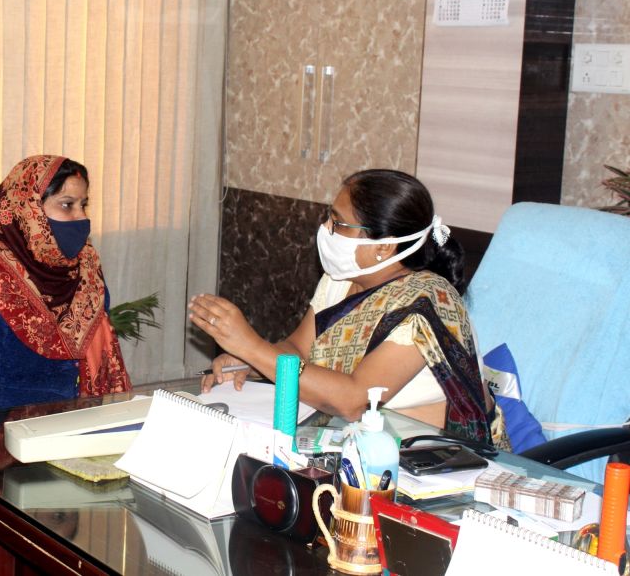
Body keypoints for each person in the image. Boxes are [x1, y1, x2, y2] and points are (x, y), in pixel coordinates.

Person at [190, 169, 506, 447]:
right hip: (353, 443)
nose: (325, 228)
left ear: (384, 246)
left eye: (338, 223)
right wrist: (251, 361)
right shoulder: (341, 279)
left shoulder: (426, 304)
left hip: (433, 461)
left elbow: (355, 400)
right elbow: (297, 350)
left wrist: (252, 347)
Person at [0, 154, 132, 417]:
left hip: (75, 422)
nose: (82, 217)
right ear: (27, 212)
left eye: (84, 205)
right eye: (67, 205)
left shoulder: (84, 274)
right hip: (4, 433)